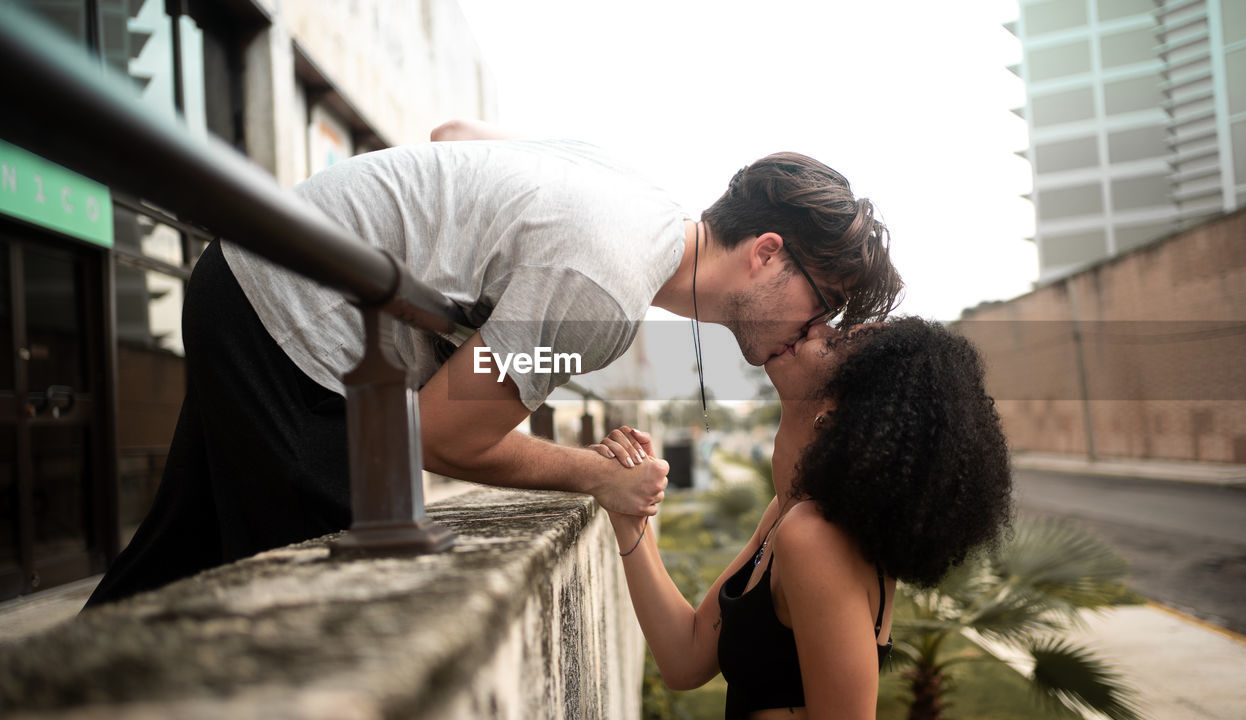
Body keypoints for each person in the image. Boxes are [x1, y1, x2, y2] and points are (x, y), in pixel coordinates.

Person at [85, 120, 902, 606]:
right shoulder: (601, 292)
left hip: (253, 282)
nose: (814, 327)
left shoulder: (634, 202)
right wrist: (598, 475)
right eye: (820, 299)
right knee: (332, 596)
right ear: (767, 254)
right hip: (294, 326)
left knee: (179, 560)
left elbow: (455, 138)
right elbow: (442, 437)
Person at [591, 317, 1013, 719]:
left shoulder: (816, 538)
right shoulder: (789, 513)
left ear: (839, 411)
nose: (817, 327)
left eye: (833, 343)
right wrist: (631, 518)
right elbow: (685, 658)